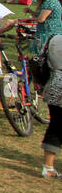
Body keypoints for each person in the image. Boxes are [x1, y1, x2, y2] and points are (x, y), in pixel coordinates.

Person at [40, 31, 62, 178]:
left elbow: (42, 60)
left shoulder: (54, 38)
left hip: (54, 87)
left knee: (55, 125)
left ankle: (48, 167)